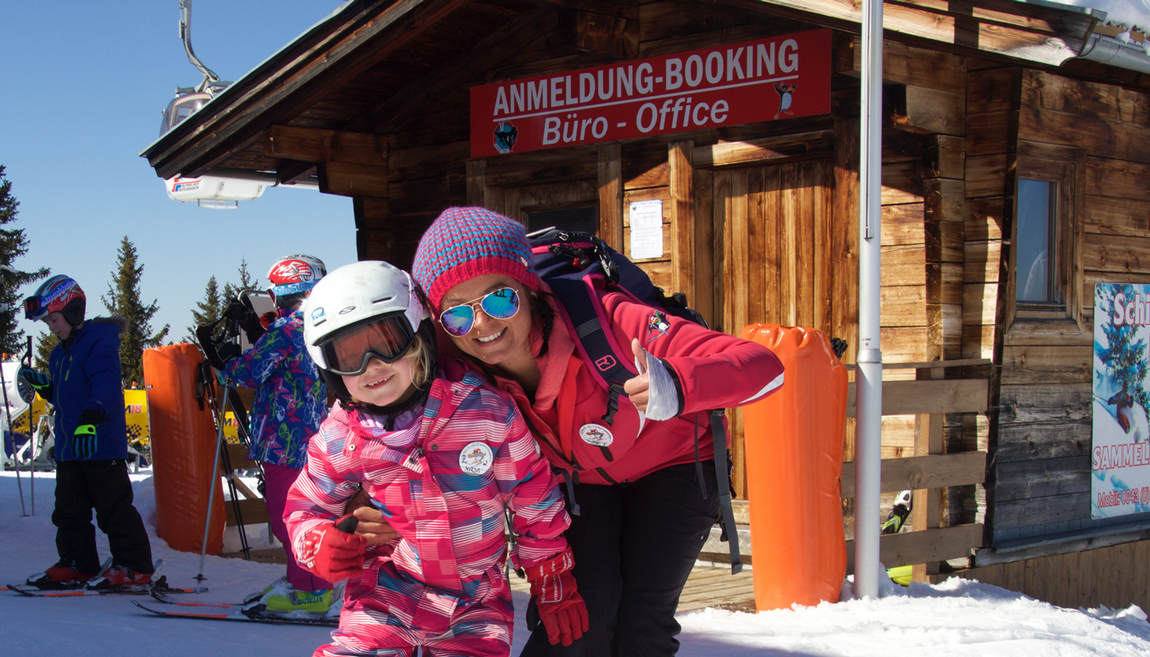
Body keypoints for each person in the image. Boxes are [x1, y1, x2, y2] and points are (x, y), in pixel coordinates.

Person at [405, 207, 785, 656]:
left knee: (642, 625)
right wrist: (351, 499)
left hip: (674, 465)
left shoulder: (611, 319)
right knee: (576, 620)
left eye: (499, 299)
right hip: (577, 480)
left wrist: (679, 383)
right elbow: (379, 416)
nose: (484, 325)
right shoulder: (453, 358)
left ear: (530, 289)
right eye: (458, 315)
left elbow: (767, 368)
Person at [283, 260, 588, 657]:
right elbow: (305, 508)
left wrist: (551, 576)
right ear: (330, 370)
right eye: (349, 356)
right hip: (384, 597)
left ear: (418, 335)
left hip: (476, 602)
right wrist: (318, 543)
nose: (372, 365)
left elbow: (534, 498)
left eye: (385, 341)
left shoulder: (484, 413)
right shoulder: (340, 438)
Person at [19, 275, 155, 589]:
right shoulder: (59, 354)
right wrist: (47, 389)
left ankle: (135, 565)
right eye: (47, 322)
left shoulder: (98, 341)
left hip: (100, 444)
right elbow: (68, 395)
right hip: (70, 446)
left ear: (73, 310)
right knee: (68, 510)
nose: (51, 327)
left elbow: (105, 386)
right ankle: (77, 562)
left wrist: (91, 419)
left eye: (54, 319)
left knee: (113, 508)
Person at [218, 254, 333, 614]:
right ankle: (304, 581)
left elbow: (251, 371)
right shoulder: (318, 327)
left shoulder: (286, 331)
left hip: (285, 441)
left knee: (288, 518)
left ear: (281, 293)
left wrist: (225, 362)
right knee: (304, 513)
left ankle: (311, 591)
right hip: (309, 436)